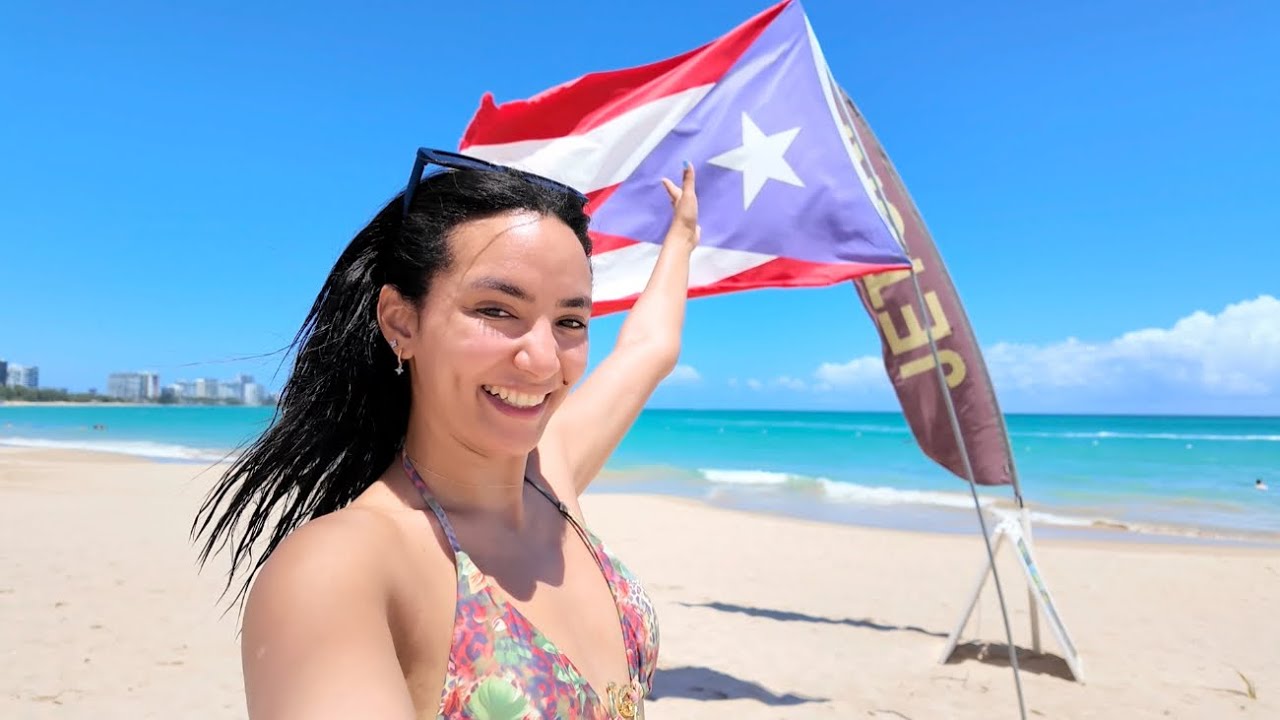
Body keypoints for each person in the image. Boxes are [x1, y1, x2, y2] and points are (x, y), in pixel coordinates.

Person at [193, 148, 701, 719]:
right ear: (401, 322)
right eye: (497, 309)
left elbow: (650, 349)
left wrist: (681, 239)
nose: (541, 359)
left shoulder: (547, 478)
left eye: (570, 321)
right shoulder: (343, 566)